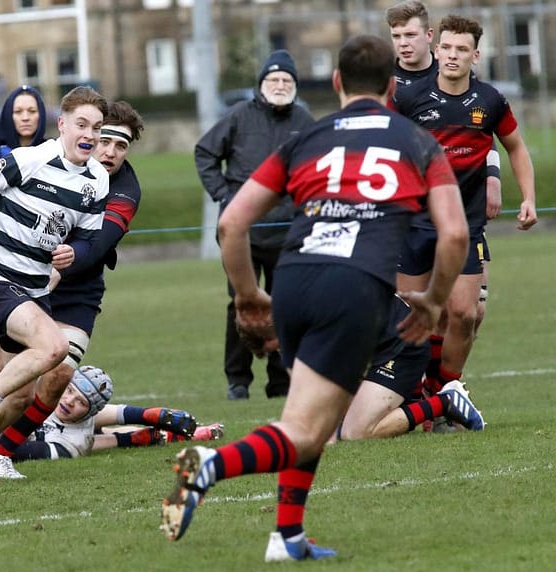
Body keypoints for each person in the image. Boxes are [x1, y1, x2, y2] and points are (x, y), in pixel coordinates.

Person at [159, 35, 469, 562]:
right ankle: (207, 467)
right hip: (353, 286)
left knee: (311, 421)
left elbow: (232, 222)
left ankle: (287, 536)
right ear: (392, 87)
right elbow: (456, 235)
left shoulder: (308, 135)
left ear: (336, 83)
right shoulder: (416, 140)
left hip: (294, 279)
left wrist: (248, 295)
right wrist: (434, 300)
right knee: (306, 430)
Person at [0, 100, 147, 481]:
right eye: (106, 140)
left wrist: (71, 257)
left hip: (77, 290)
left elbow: (96, 244)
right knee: (12, 375)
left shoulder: (122, 190)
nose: (110, 151)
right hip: (23, 280)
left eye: (121, 146)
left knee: (55, 375)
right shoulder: (47, 160)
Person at [392, 14, 537, 398]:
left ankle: (444, 393)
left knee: (465, 313)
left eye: (462, 49)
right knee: (410, 316)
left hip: (466, 226)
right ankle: (411, 396)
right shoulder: (408, 98)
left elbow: (516, 148)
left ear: (476, 55)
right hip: (415, 223)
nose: (453, 55)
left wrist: (528, 198)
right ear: (436, 51)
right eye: (448, 48)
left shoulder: (490, 100)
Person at [195, 50, 314, 401]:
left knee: (286, 306)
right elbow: (204, 153)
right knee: (241, 305)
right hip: (241, 236)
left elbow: (318, 165)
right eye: (273, 80)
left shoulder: (305, 120)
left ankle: (281, 382)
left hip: (289, 232)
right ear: (261, 85)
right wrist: (224, 196)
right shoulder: (237, 117)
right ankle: (238, 381)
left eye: (287, 81)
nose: (280, 86)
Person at [0, 362, 223, 469]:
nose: (68, 401)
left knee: (103, 439)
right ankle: (157, 435)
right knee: (109, 437)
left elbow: (17, 451)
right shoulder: (48, 401)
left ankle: (157, 435)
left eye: (79, 400)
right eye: (68, 392)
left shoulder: (74, 436)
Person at [336, 295, 485, 440]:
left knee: (355, 433)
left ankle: (446, 401)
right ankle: (402, 405)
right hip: (375, 342)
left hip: (400, 344)